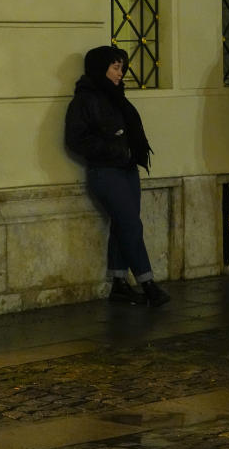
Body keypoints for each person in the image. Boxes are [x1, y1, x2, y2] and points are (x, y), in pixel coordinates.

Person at [65, 45, 169, 307]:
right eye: (115, 67)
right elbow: (76, 139)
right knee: (131, 225)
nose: (120, 72)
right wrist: (112, 147)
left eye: (122, 67)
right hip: (106, 171)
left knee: (124, 224)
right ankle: (147, 283)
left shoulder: (116, 96)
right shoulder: (85, 99)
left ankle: (119, 283)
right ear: (101, 68)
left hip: (127, 168)